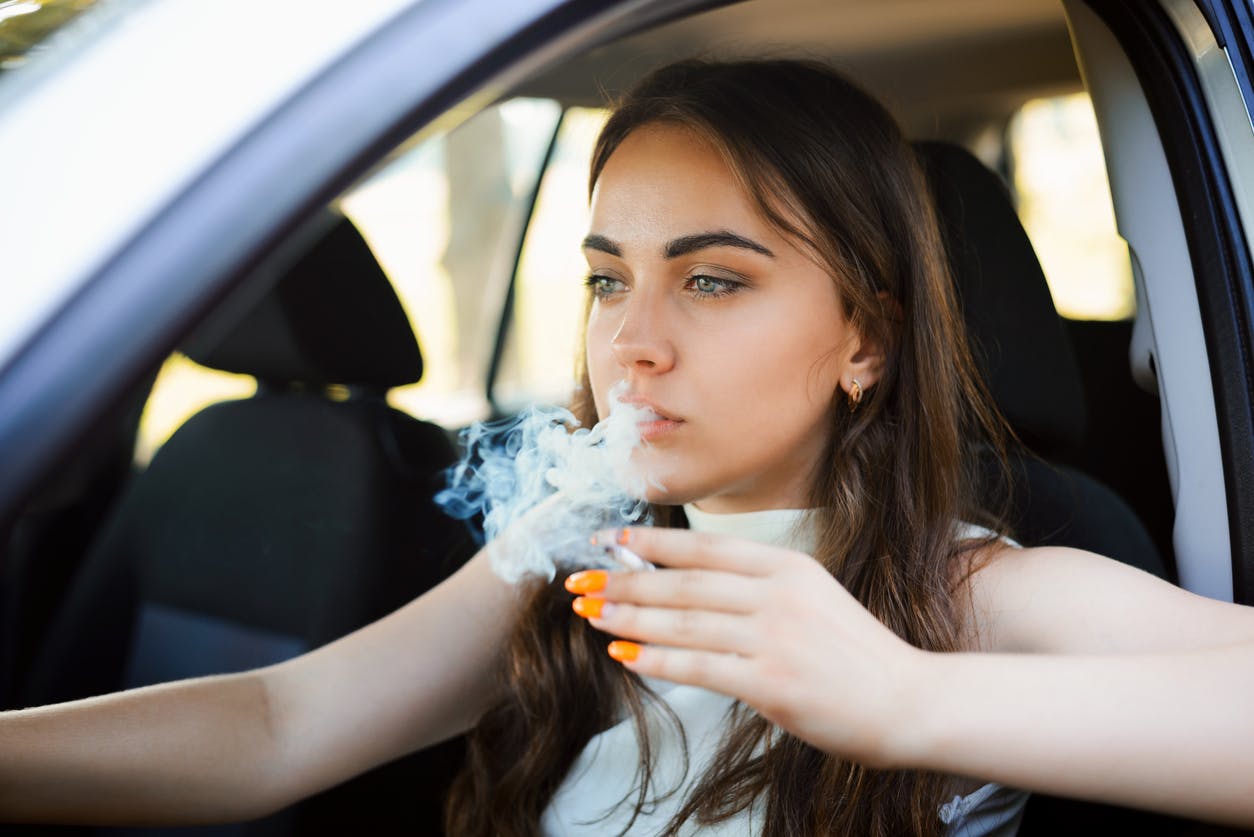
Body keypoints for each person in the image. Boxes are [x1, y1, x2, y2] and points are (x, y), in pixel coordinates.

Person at [3, 57, 1254, 836]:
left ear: (865, 341)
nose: (631, 347)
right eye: (609, 283)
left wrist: (906, 698)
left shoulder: (974, 592)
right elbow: (278, 728)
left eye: (712, 283)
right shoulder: (575, 557)